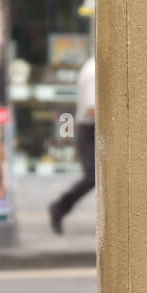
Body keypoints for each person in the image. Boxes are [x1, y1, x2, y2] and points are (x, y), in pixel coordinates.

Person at [49, 56, 95, 233]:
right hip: (90, 129)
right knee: (92, 176)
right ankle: (59, 207)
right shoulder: (92, 71)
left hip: (94, 129)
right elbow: (94, 109)